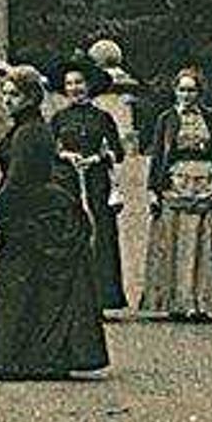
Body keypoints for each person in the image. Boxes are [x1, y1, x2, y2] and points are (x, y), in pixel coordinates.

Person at [0, 73, 110, 380]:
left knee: (27, 288)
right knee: (27, 288)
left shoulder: (31, 132)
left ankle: (29, 360)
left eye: (14, 94)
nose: (7, 99)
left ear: (31, 97)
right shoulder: (26, 129)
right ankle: (29, 359)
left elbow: (17, 181)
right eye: (6, 94)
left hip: (39, 217)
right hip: (31, 214)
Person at [137, 65, 212, 320]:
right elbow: (158, 155)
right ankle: (175, 303)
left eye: (191, 90)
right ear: (175, 91)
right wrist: (152, 189)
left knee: (203, 244)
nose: (186, 95)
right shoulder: (166, 119)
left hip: (207, 182)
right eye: (182, 90)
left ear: (199, 93)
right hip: (174, 183)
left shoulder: (211, 117)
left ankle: (201, 303)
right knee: (173, 241)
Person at [50, 64, 130, 312]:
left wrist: (97, 158)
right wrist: (64, 155)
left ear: (89, 86)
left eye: (79, 83)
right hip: (68, 184)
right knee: (70, 237)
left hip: (97, 184)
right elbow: (48, 150)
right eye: (70, 84)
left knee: (101, 238)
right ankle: (70, 299)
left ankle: (100, 298)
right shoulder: (58, 118)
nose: (75, 88)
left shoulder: (103, 118)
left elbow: (119, 153)